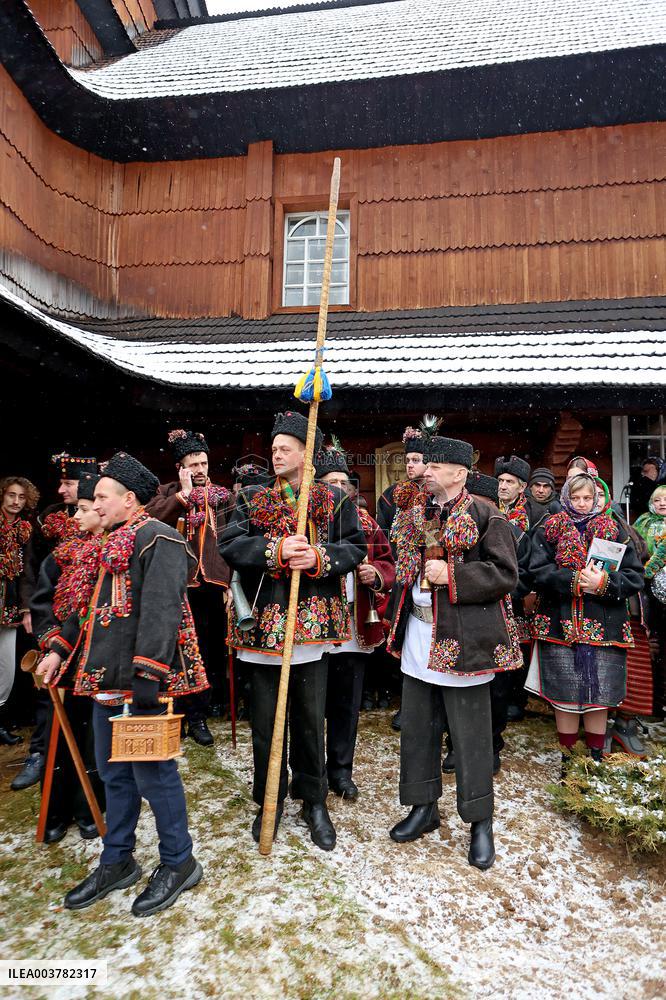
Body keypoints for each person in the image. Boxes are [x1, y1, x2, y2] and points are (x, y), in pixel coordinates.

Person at [36, 452, 208, 916]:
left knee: (155, 775)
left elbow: (161, 613)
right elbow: (86, 612)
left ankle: (179, 862)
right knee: (112, 773)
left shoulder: (159, 538)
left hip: (141, 682)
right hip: (102, 681)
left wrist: (149, 679)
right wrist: (57, 649)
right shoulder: (102, 544)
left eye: (104, 497)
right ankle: (117, 861)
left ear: (130, 499)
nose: (96, 503)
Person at [220, 410, 366, 851]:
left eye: (286, 448)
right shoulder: (249, 497)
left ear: (308, 454)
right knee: (266, 723)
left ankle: (313, 799)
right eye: (274, 448)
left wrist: (320, 557)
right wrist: (275, 549)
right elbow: (227, 544)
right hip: (264, 627)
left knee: (309, 719)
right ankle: (270, 801)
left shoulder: (333, 499)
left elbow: (354, 547)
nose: (276, 454)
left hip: (311, 626)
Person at [387, 433, 521, 870]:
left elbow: (505, 574)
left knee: (471, 738)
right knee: (419, 729)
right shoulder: (415, 514)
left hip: (464, 641)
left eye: (436, 466)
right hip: (419, 635)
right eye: (426, 465)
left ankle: (480, 822)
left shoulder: (486, 514)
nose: (426, 472)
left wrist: (453, 574)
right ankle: (423, 807)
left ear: (460, 473)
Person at [527, 474, 644, 772]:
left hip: (604, 626)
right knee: (564, 694)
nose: (581, 504)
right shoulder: (549, 529)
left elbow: (634, 577)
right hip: (558, 625)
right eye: (575, 498)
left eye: (587, 498)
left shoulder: (614, 530)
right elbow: (536, 571)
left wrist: (604, 582)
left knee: (598, 696)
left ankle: (594, 758)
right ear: (566, 497)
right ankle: (569, 758)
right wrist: (573, 580)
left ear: (596, 499)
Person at [316, 437, 395, 800]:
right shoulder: (308, 522)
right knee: (313, 707)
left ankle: (341, 772)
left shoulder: (366, 523)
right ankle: (312, 771)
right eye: (329, 483)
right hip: (314, 629)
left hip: (353, 627)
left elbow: (388, 564)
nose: (337, 489)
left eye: (342, 483)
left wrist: (374, 574)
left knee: (347, 705)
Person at [11, 453, 95, 792]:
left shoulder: (104, 531)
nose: (61, 490)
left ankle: (83, 777)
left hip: (87, 625)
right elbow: (33, 566)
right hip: (54, 618)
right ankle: (40, 754)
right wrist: (31, 610)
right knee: (49, 688)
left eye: (68, 484)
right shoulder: (48, 520)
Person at [30, 472, 106, 842]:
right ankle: (57, 809)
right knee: (60, 736)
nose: (75, 516)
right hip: (62, 660)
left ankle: (89, 807)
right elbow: (42, 604)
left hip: (95, 659)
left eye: (83, 509)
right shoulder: (62, 555)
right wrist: (52, 642)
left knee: (93, 739)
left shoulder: (110, 554)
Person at [146, 429, 231, 745]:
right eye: (192, 464)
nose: (199, 470)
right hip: (175, 587)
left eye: (203, 463)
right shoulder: (164, 495)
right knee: (173, 652)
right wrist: (182, 496)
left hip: (211, 587)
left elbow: (233, 542)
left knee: (206, 653)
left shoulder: (223, 498)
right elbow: (151, 520)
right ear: (180, 467)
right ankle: (174, 714)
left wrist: (230, 586)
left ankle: (198, 717)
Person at [495, 455, 547, 721]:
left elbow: (534, 561)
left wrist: (515, 589)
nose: (503, 486)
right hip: (491, 591)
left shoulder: (536, 516)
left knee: (518, 648)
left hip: (518, 593)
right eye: (501, 480)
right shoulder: (490, 509)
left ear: (522, 487)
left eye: (509, 482)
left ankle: (517, 698)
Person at [0, 476, 38, 745]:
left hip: (9, 606)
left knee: (6, 668)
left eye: (21, 497)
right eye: (11, 495)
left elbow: (26, 572)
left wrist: (26, 609)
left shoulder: (25, 530)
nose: (15, 501)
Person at [634, 484, 666, 720]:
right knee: (653, 646)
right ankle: (654, 703)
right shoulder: (642, 523)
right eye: (658, 500)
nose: (662, 504)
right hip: (650, 590)